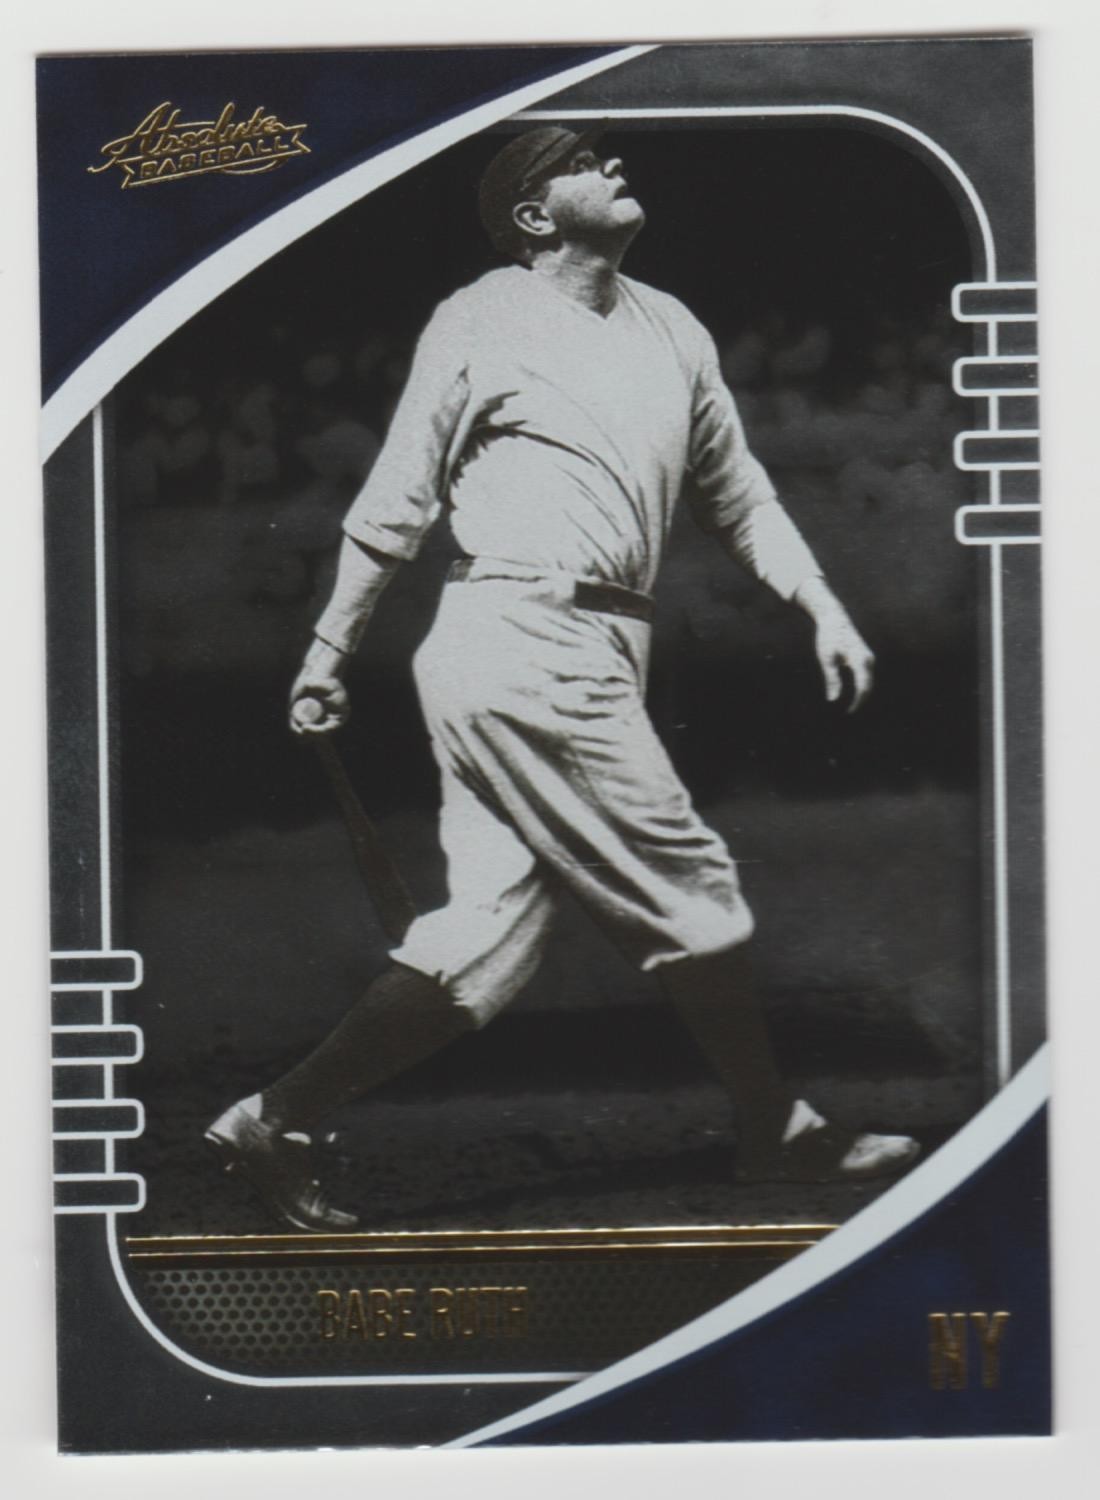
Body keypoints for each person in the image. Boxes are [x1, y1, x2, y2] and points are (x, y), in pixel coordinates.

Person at [206, 124, 919, 1232]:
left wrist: (819, 602)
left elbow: (738, 493)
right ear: (534, 217)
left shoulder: (672, 326)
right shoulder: (479, 316)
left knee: (484, 945)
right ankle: (772, 1126)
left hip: (592, 642)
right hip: (520, 632)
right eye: (582, 162)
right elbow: (397, 497)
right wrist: (329, 651)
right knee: (694, 882)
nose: (615, 165)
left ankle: (273, 1120)